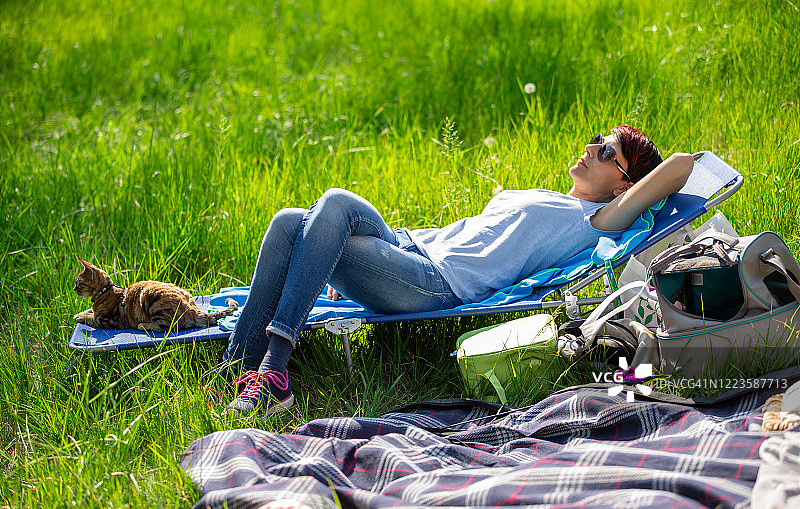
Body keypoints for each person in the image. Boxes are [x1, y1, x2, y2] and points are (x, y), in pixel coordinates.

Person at [219, 125, 694, 417]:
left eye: (609, 153)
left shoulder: (597, 222)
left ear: (623, 188)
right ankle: (241, 366)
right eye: (597, 141)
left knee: (334, 204)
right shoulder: (553, 200)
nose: (592, 148)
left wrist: (634, 189)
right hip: (410, 247)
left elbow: (680, 166)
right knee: (287, 221)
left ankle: (274, 369)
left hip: (433, 283)